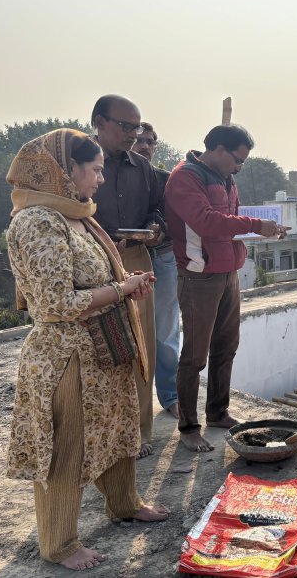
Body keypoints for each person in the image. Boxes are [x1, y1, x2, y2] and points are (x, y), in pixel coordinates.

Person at [5, 129, 169, 571]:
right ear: (65, 170)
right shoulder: (39, 220)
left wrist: (123, 287)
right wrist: (121, 288)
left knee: (117, 430)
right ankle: (59, 543)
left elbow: (92, 280)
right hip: (68, 356)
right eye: (94, 170)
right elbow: (57, 304)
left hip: (104, 350)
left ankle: (124, 502)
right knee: (68, 450)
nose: (100, 179)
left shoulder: (77, 214)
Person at [165, 124, 289, 452]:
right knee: (194, 355)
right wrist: (254, 226)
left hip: (227, 271)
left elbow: (231, 221)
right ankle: (189, 426)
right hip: (199, 275)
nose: (239, 167)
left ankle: (218, 412)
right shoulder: (185, 177)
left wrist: (267, 229)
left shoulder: (224, 176)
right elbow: (206, 221)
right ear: (218, 149)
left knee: (226, 346)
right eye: (237, 160)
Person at [90, 95, 162, 457]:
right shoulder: (78, 162)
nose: (134, 134)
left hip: (136, 258)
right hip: (91, 264)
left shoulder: (143, 168)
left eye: (137, 127)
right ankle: (102, 432)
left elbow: (156, 212)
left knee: (140, 348)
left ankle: (138, 433)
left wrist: (153, 229)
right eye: (125, 126)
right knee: (99, 349)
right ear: (100, 123)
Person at [132, 123, 180, 418]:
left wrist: (160, 229)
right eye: (139, 141)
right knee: (131, 333)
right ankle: (136, 404)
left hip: (162, 257)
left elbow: (176, 219)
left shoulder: (165, 180)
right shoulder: (109, 177)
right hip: (126, 258)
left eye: (150, 142)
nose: (145, 146)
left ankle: (171, 396)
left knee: (166, 333)